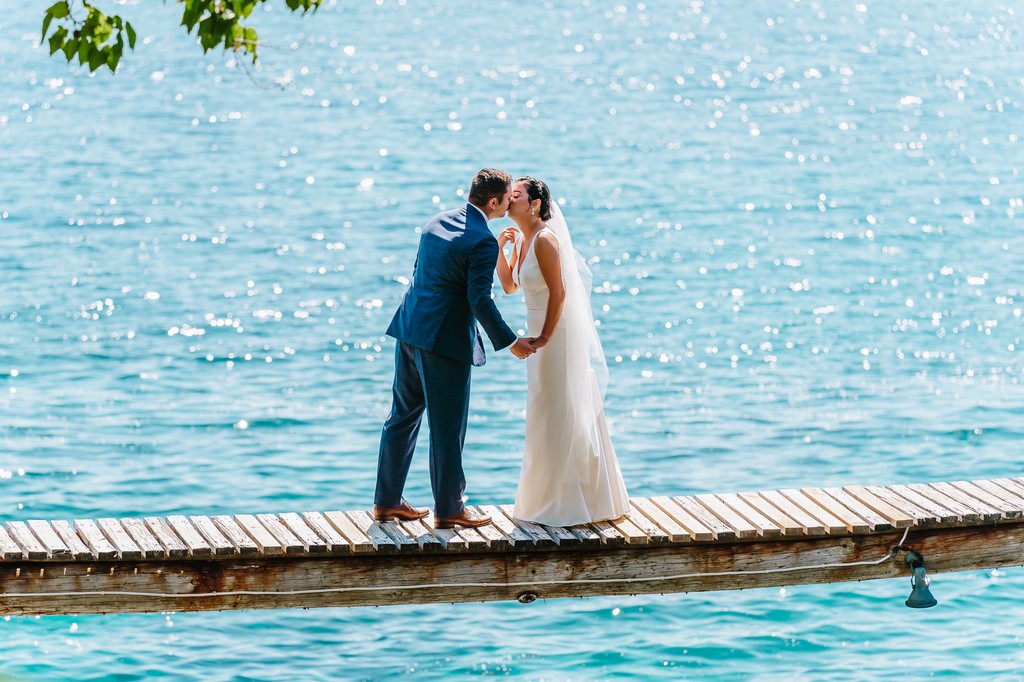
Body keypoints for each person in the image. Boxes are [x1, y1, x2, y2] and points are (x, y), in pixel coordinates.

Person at [374, 169, 536, 529]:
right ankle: (450, 509)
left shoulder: (436, 222)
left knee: (401, 418)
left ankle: (386, 503)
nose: (511, 202)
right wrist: (510, 341)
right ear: (493, 202)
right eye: (508, 197)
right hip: (444, 342)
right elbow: (479, 300)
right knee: (447, 428)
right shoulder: (481, 240)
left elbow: (420, 271)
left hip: (410, 328)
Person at [496, 177, 630, 526]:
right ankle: (548, 498)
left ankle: (567, 503)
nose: (509, 202)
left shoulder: (545, 240)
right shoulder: (526, 240)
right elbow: (510, 286)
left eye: (516, 196)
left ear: (535, 204)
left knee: (557, 409)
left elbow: (560, 293)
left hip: (554, 335)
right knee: (544, 410)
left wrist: (543, 339)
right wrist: (502, 250)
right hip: (538, 333)